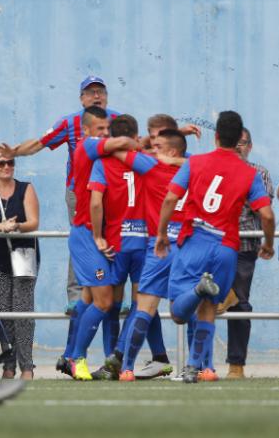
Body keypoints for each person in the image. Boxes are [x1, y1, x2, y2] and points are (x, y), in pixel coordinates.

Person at [154, 110, 275, 383]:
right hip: (226, 247)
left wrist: (162, 233)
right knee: (209, 307)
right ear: (238, 140)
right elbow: (266, 215)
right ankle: (194, 366)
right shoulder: (249, 172)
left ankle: (197, 290)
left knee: (177, 313)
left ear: (217, 136)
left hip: (196, 240)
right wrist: (267, 243)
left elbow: (171, 198)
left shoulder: (195, 162)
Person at [0, 76, 119, 311]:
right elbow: (40, 143)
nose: (97, 96)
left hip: (112, 192)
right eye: (91, 92)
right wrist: (16, 152)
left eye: (100, 91)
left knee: (114, 237)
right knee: (81, 238)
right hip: (79, 193)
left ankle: (116, 293)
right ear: (82, 99)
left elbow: (137, 143)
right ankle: (76, 297)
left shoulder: (117, 120)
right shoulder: (70, 122)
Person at [88, 115, 172, 380]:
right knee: (143, 303)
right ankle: (150, 356)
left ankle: (113, 357)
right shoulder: (149, 160)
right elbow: (182, 161)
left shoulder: (102, 163)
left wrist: (97, 235)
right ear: (137, 137)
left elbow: (97, 202)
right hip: (144, 241)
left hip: (115, 243)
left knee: (112, 304)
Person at [61, 106, 139, 381]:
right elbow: (125, 142)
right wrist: (97, 235)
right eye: (100, 130)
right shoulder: (87, 148)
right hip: (86, 235)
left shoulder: (104, 155)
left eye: (107, 129)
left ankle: (68, 353)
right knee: (105, 302)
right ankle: (76, 358)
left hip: (97, 236)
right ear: (86, 131)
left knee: (88, 299)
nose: (105, 134)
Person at [108, 129, 190, 382]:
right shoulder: (195, 167)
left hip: (160, 246)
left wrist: (142, 145)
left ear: (172, 151)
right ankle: (200, 367)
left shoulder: (149, 165)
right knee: (195, 307)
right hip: (188, 246)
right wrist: (177, 160)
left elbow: (115, 149)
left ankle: (128, 368)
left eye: (157, 146)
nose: (152, 150)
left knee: (145, 308)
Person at [225, 128, 275, 379]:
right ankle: (198, 361)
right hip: (214, 243)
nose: (239, 148)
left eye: (243, 143)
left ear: (250, 146)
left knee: (240, 303)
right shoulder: (216, 168)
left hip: (244, 247)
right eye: (235, 143)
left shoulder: (259, 172)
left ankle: (236, 364)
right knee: (203, 298)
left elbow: (262, 208)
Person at [0, 156, 39, 380]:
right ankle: (9, 365)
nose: (6, 167)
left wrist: (17, 226)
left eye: (10, 162)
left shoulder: (25, 188)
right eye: (1, 163)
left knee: (22, 312)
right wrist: (0, 226)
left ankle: (27, 367)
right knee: (4, 314)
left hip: (24, 255)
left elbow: (34, 222)